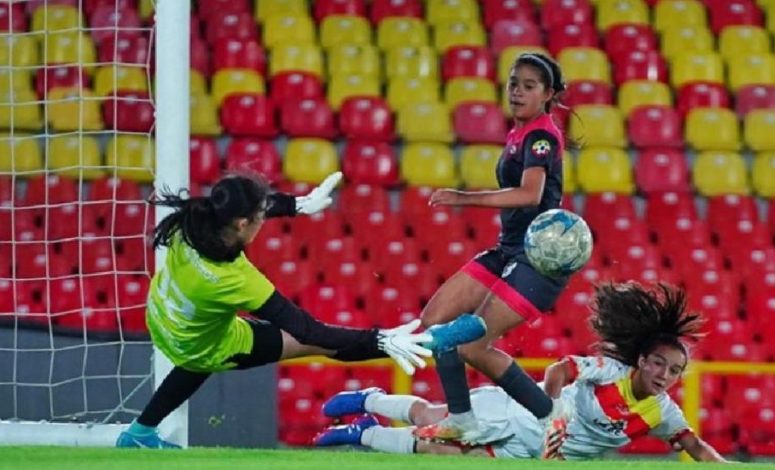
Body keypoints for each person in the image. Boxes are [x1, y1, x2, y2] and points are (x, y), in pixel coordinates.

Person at [116, 172, 483, 448]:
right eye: (260, 217)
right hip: (203, 344)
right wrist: (380, 340)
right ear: (243, 224)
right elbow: (308, 330)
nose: (263, 219)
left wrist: (296, 205)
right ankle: (419, 343)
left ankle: (139, 433)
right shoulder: (236, 280)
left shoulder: (192, 224)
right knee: (311, 343)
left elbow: (246, 208)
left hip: (163, 318)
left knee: (198, 352)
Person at [314, 282, 728, 463]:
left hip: (530, 453)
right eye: (659, 362)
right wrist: (553, 413)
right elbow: (560, 370)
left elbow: (696, 447)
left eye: (674, 370)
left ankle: (364, 432)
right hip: (518, 414)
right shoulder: (610, 371)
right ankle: (370, 400)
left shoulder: (664, 413)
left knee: (442, 452)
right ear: (641, 360)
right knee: (430, 419)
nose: (664, 374)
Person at [414, 52, 573, 442]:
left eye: (529, 86)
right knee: (434, 322)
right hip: (508, 249)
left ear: (548, 93)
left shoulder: (539, 136)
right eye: (513, 83)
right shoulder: (519, 131)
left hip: (537, 260)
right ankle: (463, 419)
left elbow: (530, 195)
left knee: (470, 345)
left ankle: (550, 414)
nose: (517, 92)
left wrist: (462, 198)